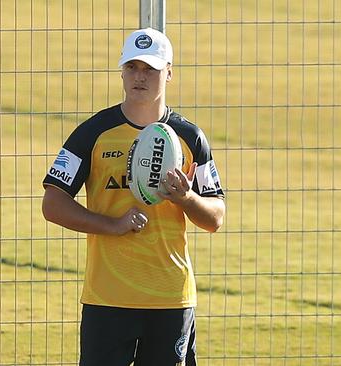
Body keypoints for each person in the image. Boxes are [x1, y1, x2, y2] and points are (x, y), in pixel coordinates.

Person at [41, 27, 225, 365]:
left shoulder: (190, 137)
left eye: (150, 69)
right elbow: (52, 203)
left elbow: (215, 217)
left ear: (169, 73)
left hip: (170, 299)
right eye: (132, 67)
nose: (139, 77)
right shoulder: (92, 132)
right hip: (107, 299)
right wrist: (112, 225)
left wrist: (186, 199)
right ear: (122, 71)